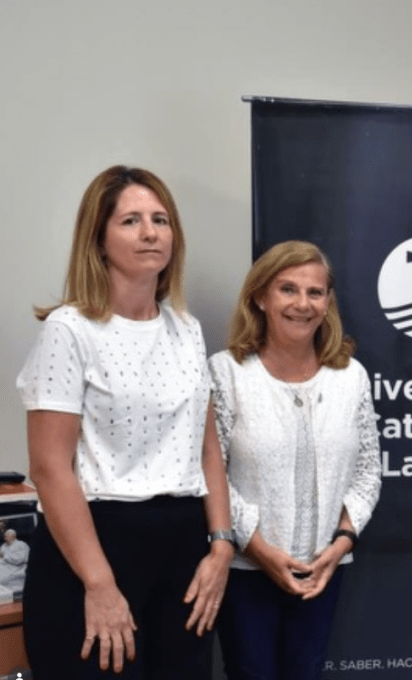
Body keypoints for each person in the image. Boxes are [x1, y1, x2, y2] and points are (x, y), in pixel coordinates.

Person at [16, 165, 234, 678]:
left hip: (183, 550)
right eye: (130, 220)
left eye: (160, 219)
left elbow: (207, 449)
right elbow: (49, 469)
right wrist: (99, 584)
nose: (150, 232)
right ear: (98, 239)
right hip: (94, 550)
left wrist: (222, 546)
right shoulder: (70, 330)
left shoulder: (187, 330)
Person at [209, 240, 382, 680]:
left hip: (324, 569)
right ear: (260, 297)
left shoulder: (351, 377)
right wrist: (259, 550)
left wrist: (341, 543)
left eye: (315, 292)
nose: (302, 304)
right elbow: (211, 473)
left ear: (328, 302)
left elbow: (368, 472)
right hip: (246, 570)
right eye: (287, 289)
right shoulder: (226, 373)